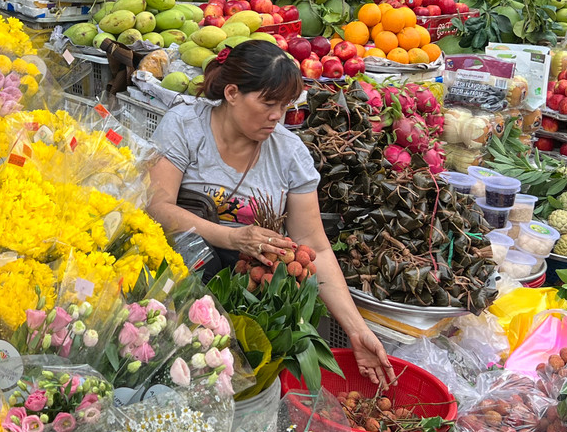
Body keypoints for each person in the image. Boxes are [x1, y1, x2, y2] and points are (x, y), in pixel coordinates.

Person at [147, 40, 395, 386]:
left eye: (284, 105)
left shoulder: (288, 152)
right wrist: (231, 236)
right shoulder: (186, 125)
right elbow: (156, 208)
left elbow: (315, 246)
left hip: (247, 302)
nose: (278, 116)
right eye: (268, 103)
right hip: (171, 288)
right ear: (232, 93)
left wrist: (356, 330)